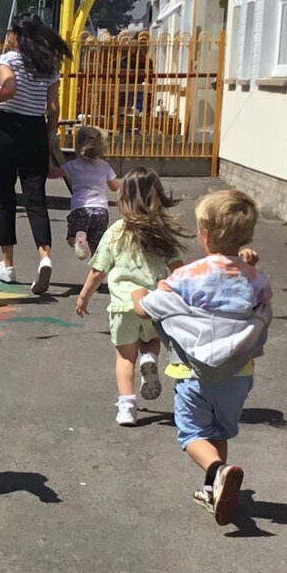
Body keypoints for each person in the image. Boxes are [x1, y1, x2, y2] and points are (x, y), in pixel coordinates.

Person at [131, 189, 272, 527]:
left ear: (205, 236)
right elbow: (257, 298)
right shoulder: (255, 278)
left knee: (192, 434)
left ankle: (217, 471)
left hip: (192, 371)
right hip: (238, 372)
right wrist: (246, 265)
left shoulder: (187, 276)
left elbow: (146, 308)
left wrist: (137, 292)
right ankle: (214, 489)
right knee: (219, 431)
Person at [73, 167, 187, 428]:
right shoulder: (161, 233)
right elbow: (179, 270)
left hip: (123, 307)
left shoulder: (115, 232)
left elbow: (97, 270)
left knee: (124, 357)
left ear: (123, 198)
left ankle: (127, 406)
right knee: (152, 340)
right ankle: (150, 357)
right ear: (157, 196)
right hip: (155, 305)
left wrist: (83, 297)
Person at [0, 14, 71, 297]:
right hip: (36, 131)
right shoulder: (47, 66)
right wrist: (49, 138)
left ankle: (8, 264)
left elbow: (9, 88)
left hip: (8, 129)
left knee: (5, 196)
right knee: (35, 196)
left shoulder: (6, 60)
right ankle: (44, 257)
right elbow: (53, 108)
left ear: (16, 35)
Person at [60, 125, 119, 261]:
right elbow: (114, 187)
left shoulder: (73, 165)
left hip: (80, 209)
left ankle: (79, 238)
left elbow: (52, 174)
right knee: (96, 244)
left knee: (71, 238)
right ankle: (98, 272)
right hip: (101, 210)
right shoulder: (104, 166)